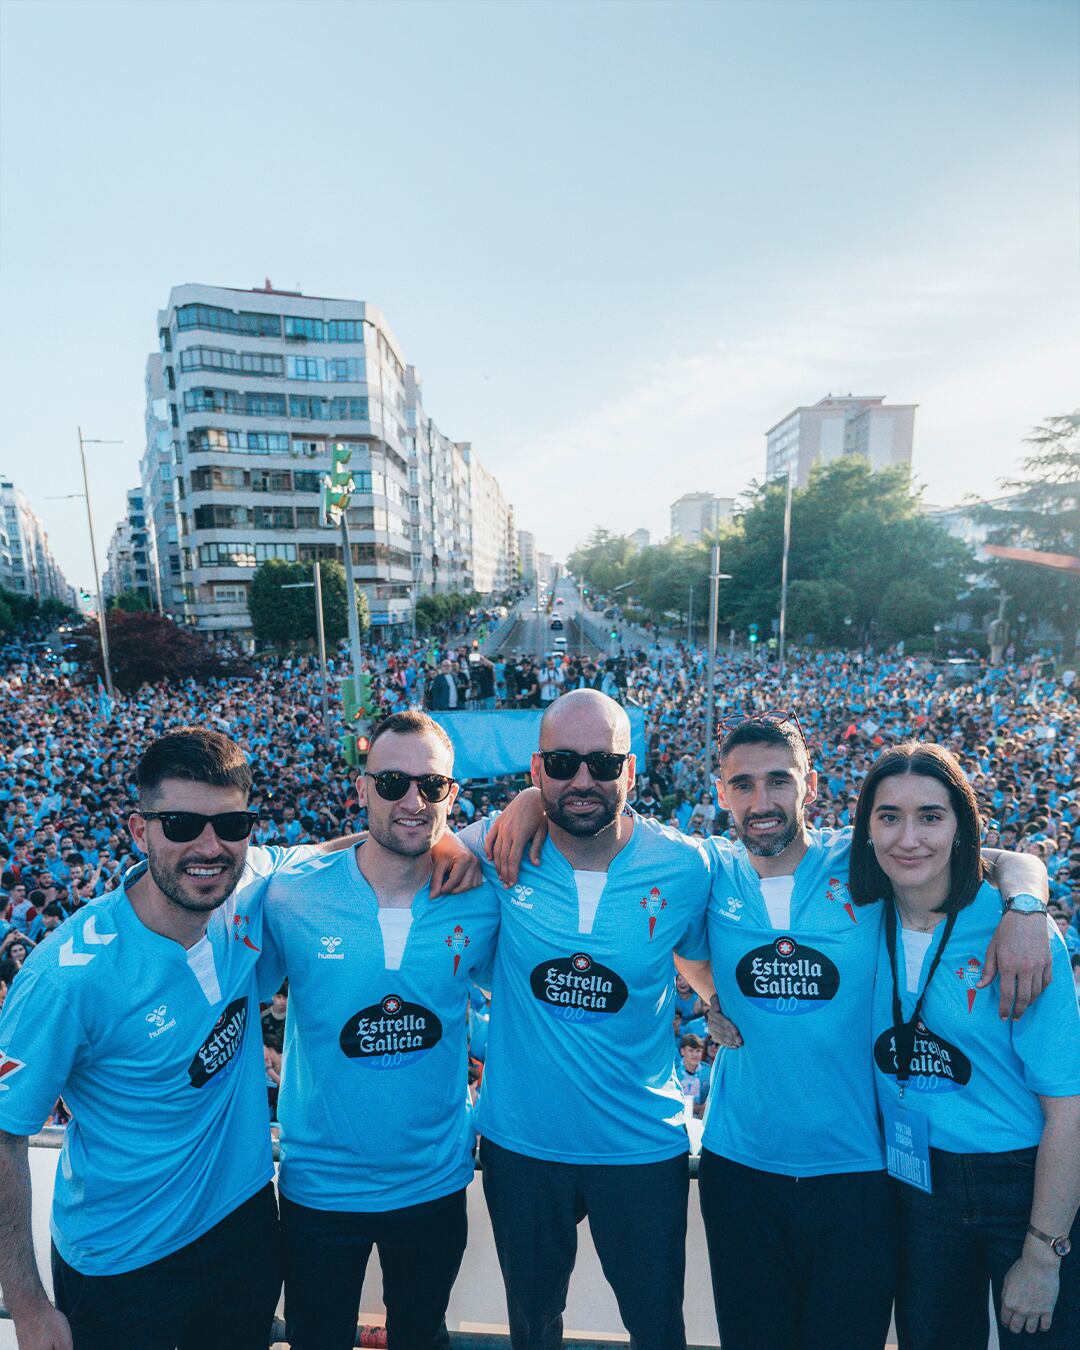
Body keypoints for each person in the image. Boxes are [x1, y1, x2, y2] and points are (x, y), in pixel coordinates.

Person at [488, 710, 1052, 1350]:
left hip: (858, 1174)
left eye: (779, 781)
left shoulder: (865, 864)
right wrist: (710, 996)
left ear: (810, 787)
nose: (763, 802)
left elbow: (995, 856)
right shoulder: (706, 871)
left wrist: (1027, 903)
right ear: (721, 793)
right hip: (740, 1168)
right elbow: (683, 944)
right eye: (744, 784)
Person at [0, 728, 477, 1350]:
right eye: (180, 825)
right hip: (124, 1259)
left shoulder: (252, 890)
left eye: (230, 825)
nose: (208, 846)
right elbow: (5, 1134)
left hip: (244, 1233)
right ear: (139, 831)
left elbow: (346, 851)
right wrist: (30, 1309)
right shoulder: (68, 976)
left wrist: (441, 836)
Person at [458, 689, 711, 1350]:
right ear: (537, 769)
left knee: (659, 1329)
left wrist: (1023, 889)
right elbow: (385, 846)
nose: (582, 780)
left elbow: (717, 956)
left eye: (602, 764)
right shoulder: (494, 848)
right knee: (532, 1329)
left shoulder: (687, 865)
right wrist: (517, 807)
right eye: (564, 763)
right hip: (522, 1148)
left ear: (632, 772)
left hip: (640, 1147)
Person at [260, 711, 499, 1350]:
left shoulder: (481, 895)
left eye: (432, 785)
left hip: (434, 1183)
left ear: (454, 792)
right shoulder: (292, 893)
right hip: (319, 1184)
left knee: (423, 1336)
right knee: (316, 1338)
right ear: (361, 788)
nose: (413, 801)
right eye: (391, 783)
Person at [851, 742, 1080, 1348]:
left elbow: (1070, 1107)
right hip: (915, 1184)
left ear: (961, 827)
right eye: (889, 816)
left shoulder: (1019, 933)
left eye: (931, 816)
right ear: (866, 828)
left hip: (1023, 1184)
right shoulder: (856, 914)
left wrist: (1043, 1254)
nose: (909, 838)